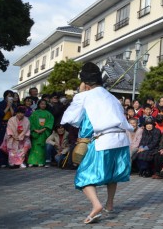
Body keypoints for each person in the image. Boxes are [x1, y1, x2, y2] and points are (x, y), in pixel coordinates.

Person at [60, 62, 133, 224]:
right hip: (121, 139)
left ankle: (96, 205)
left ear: (85, 83)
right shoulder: (112, 97)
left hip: (104, 140)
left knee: (83, 176)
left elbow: (69, 118)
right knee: (112, 174)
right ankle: (110, 204)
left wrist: (79, 94)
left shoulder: (84, 95)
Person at [28, 99, 54, 167]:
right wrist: (35, 130)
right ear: (39, 104)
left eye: (44, 104)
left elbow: (50, 122)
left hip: (44, 132)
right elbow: (31, 122)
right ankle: (32, 161)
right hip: (36, 132)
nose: (43, 105)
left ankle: (41, 161)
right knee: (34, 147)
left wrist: (43, 129)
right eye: (42, 104)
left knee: (42, 147)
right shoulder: (34, 113)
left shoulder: (49, 114)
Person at [0, 90, 15, 168]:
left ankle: (4, 161)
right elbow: (1, 114)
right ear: (5, 96)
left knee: (7, 144)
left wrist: (11, 106)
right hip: (1, 125)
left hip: (9, 125)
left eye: (11, 96)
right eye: (8, 96)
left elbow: (14, 115)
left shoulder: (13, 105)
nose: (10, 97)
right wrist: (7, 106)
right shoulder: (0, 104)